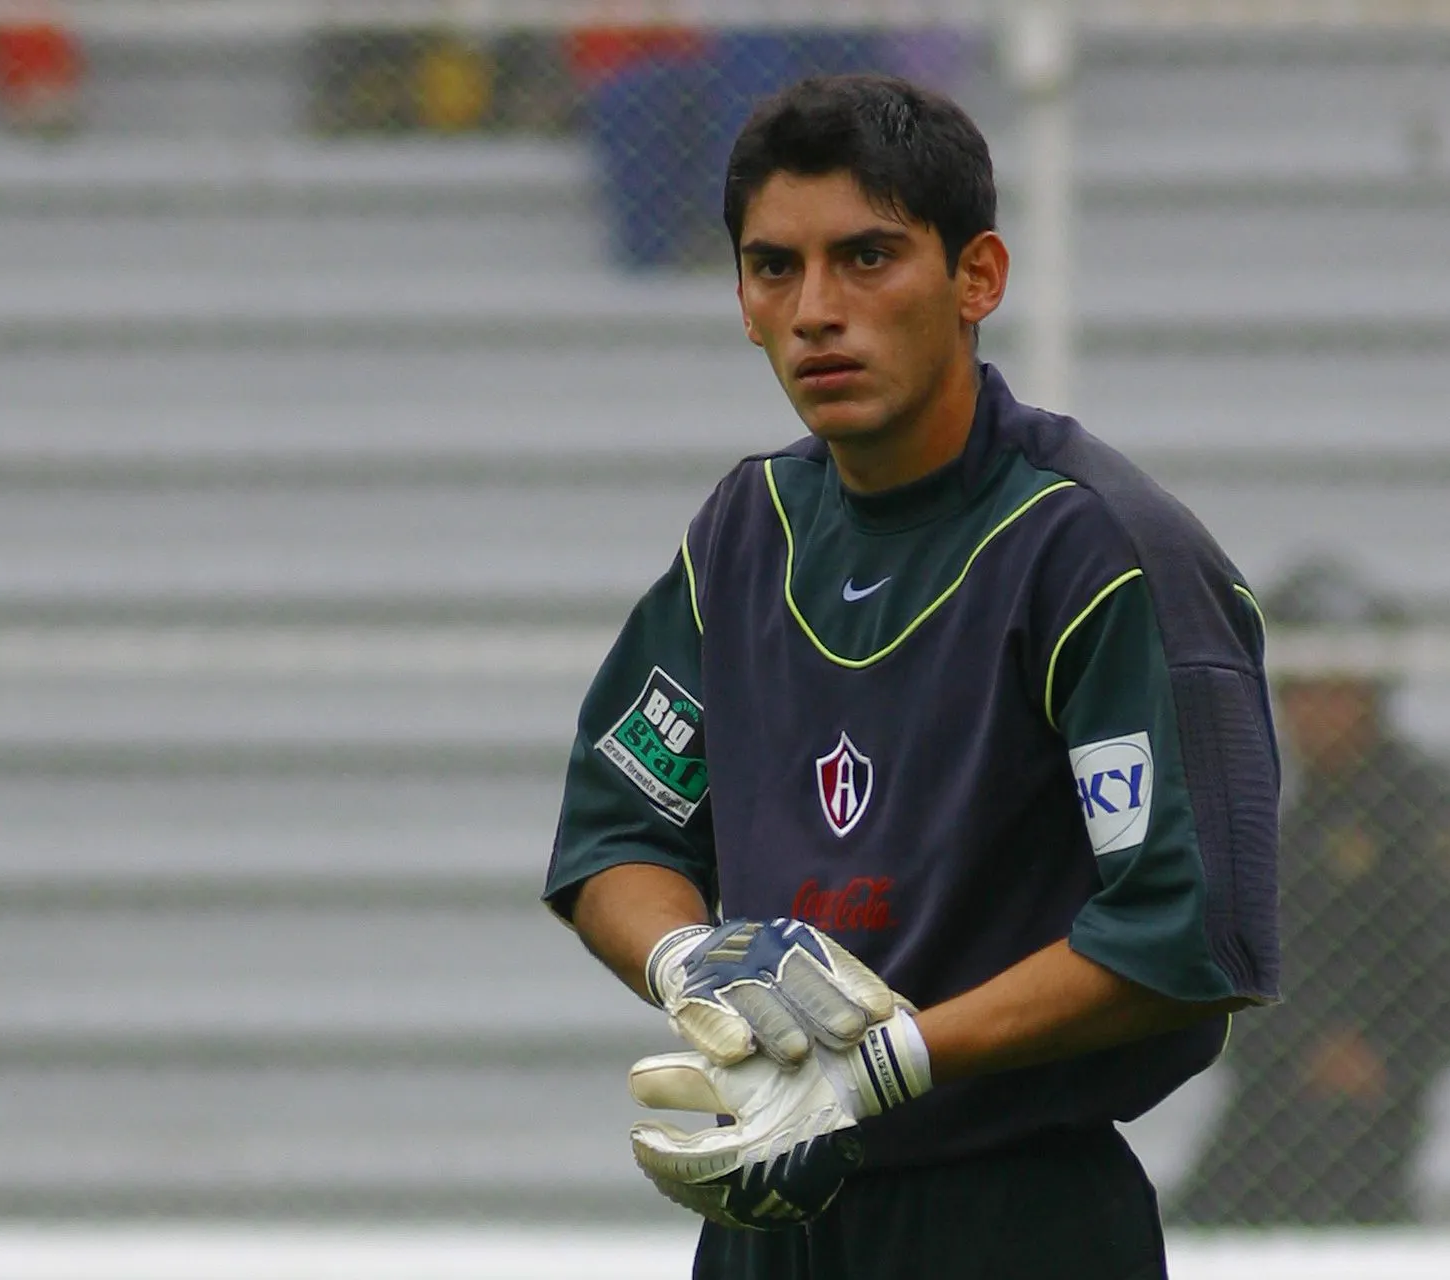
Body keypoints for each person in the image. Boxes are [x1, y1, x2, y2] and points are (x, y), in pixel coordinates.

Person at [541, 73, 1281, 1279]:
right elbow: (616, 830)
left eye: (868, 257)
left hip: (1015, 1221)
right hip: (768, 1219)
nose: (815, 309)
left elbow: (1187, 931)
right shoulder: (745, 529)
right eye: (773, 267)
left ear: (976, 277)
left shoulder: (1098, 553)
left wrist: (892, 1059)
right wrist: (691, 959)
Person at [1168, 556, 1450, 1228]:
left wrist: (1383, 1055)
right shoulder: (1269, 800)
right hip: (1266, 1091)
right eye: (1297, 690)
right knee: (1202, 1231)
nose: (1313, 712)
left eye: (1336, 689)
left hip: (1356, 1111)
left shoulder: (1417, 810)